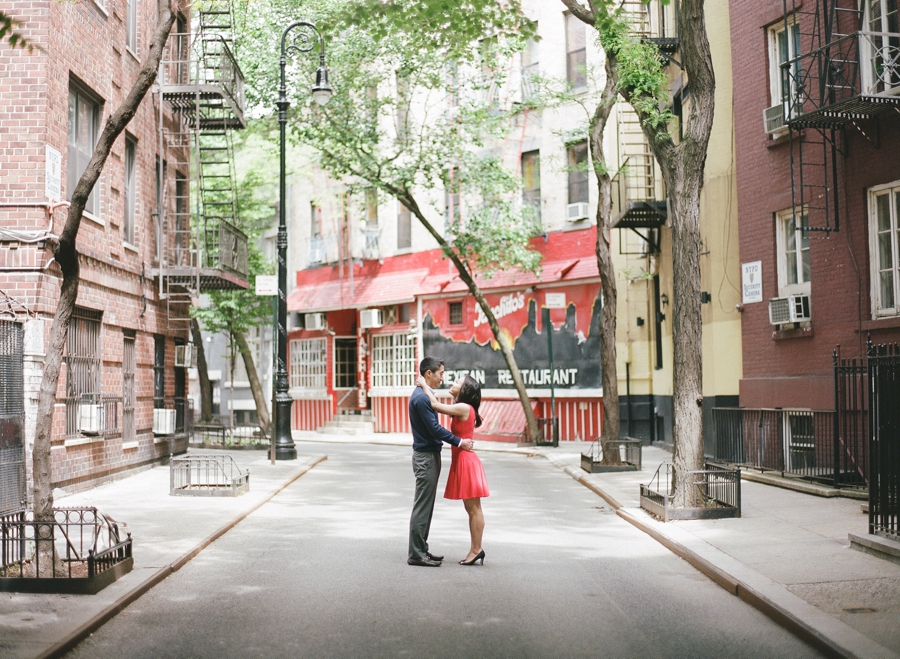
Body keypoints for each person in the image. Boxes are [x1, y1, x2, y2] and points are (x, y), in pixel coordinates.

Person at [408, 356, 474, 567]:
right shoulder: (421, 399)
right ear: (429, 374)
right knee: (422, 506)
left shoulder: (424, 395)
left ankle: (421, 549)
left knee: (426, 506)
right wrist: (460, 442)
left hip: (429, 455)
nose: (443, 377)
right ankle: (417, 554)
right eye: (441, 373)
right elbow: (435, 429)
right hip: (425, 458)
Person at [416, 373, 489, 566]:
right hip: (462, 459)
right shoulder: (462, 407)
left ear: (465, 390)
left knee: (474, 509)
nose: (452, 383)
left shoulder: (464, 407)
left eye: (458, 382)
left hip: (466, 461)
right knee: (471, 508)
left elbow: (435, 406)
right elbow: (443, 408)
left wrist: (424, 385)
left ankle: (476, 549)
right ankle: (475, 549)